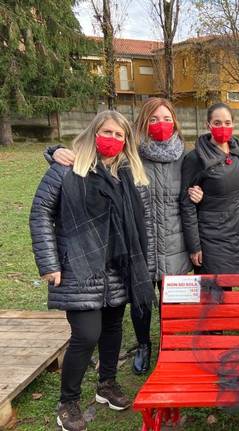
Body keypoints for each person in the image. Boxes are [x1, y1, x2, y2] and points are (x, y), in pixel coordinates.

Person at [47, 98, 203, 376]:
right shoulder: (131, 155)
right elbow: (91, 162)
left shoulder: (186, 157)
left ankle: (173, 347)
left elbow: (204, 186)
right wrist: (55, 151)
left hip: (175, 242)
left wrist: (199, 194)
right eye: (153, 119)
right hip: (138, 243)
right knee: (140, 300)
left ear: (176, 123)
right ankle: (144, 344)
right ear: (142, 123)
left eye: (167, 119)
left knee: (174, 301)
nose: (161, 125)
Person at [29, 110, 156, 431]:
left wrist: (143, 266)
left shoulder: (128, 176)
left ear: (126, 141)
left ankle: (107, 384)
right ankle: (68, 402)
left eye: (119, 135)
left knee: (113, 330)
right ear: (92, 132)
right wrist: (49, 264)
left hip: (118, 268)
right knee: (86, 335)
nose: (111, 139)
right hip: (77, 267)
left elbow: (142, 227)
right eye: (106, 132)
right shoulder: (66, 169)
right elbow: (40, 213)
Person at [181, 102, 239, 274]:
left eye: (227, 123)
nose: (223, 127)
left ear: (233, 124)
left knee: (234, 295)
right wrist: (194, 246)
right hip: (211, 239)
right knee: (213, 295)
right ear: (208, 125)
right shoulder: (195, 158)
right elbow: (187, 205)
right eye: (217, 123)